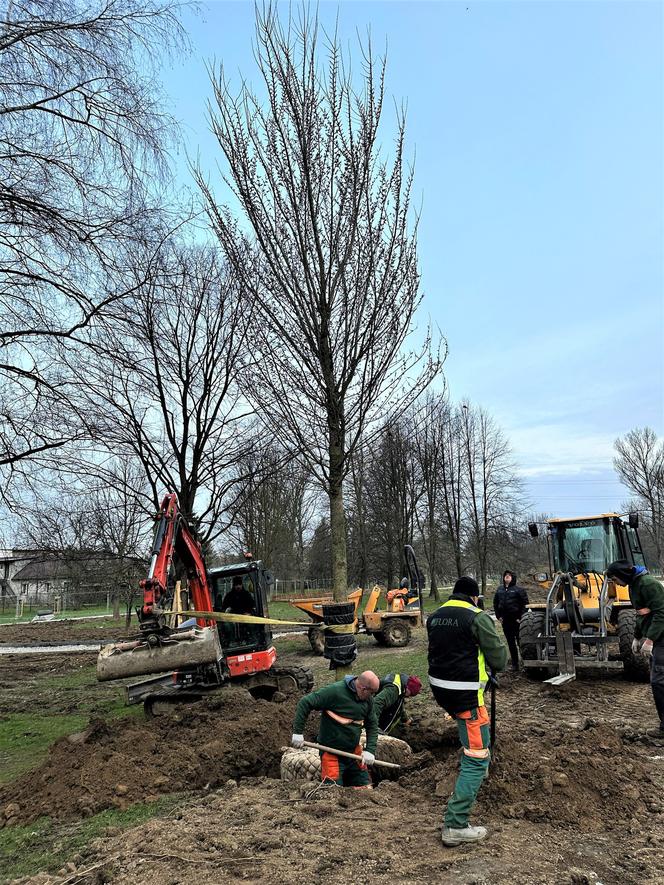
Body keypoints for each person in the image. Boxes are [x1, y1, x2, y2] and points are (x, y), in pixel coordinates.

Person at [427, 576, 507, 846]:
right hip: (466, 697)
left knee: (470, 741)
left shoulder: (435, 616)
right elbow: (499, 659)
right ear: (475, 597)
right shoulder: (476, 617)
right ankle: (455, 825)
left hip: (441, 691)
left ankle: (472, 766)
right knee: (477, 757)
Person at [291, 671, 380, 788]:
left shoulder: (368, 701)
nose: (372, 696)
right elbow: (305, 702)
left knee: (365, 789)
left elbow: (372, 724)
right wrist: (297, 732)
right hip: (331, 754)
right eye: (371, 693)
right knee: (333, 792)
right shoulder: (335, 692)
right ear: (363, 688)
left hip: (354, 753)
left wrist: (370, 750)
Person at [606, 559, 664, 738]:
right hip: (657, 635)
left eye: (615, 579)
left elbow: (661, 612)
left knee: (659, 681)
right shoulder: (634, 585)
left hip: (662, 637)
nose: (615, 583)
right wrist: (637, 637)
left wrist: (650, 640)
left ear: (623, 574)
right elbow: (641, 613)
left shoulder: (648, 584)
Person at [493, 570, 529, 671]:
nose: (507, 577)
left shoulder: (519, 590)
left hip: (517, 621)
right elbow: (495, 604)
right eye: (506, 575)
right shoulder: (499, 589)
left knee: (520, 642)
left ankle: (525, 664)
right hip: (505, 621)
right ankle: (515, 665)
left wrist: (521, 618)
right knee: (510, 643)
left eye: (509, 575)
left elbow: (525, 605)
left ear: (513, 577)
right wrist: (498, 616)